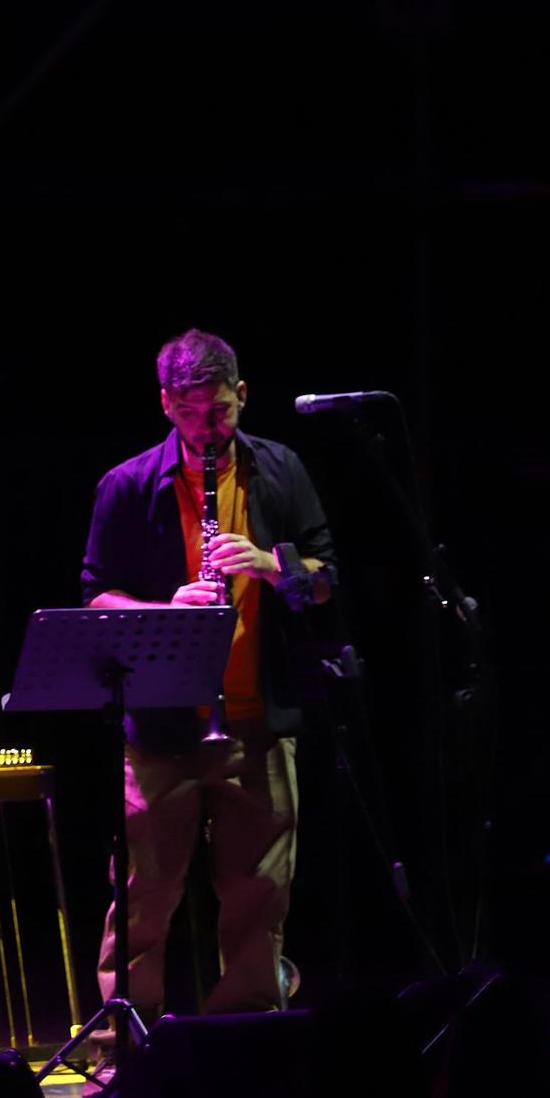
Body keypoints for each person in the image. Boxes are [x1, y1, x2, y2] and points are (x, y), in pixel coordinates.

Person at [80, 328, 336, 1052]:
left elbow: (327, 579)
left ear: (242, 395)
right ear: (166, 405)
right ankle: (130, 1053)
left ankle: (247, 1047)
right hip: (163, 728)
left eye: (219, 412)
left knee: (259, 900)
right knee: (142, 900)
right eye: (191, 414)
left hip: (259, 721)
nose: (207, 430)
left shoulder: (280, 472)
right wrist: (170, 611)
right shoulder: (128, 484)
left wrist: (269, 562)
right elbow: (97, 600)